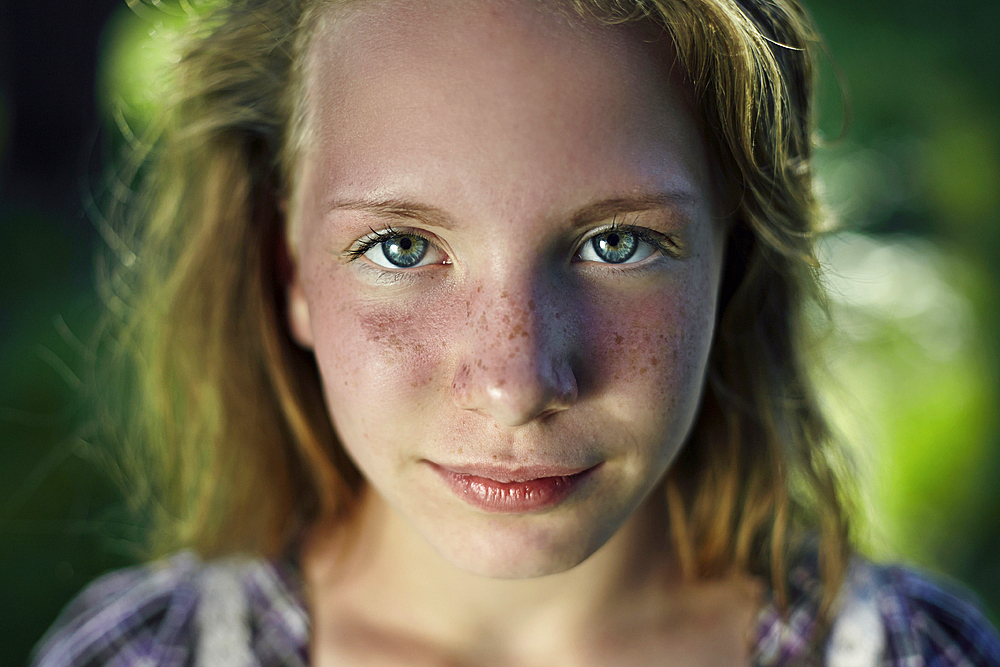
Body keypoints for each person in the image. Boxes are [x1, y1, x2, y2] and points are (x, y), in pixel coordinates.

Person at [31, 0, 1000, 664]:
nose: (514, 381)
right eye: (401, 247)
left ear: (732, 254)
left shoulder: (906, 650)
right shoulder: (142, 653)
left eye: (617, 243)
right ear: (288, 271)